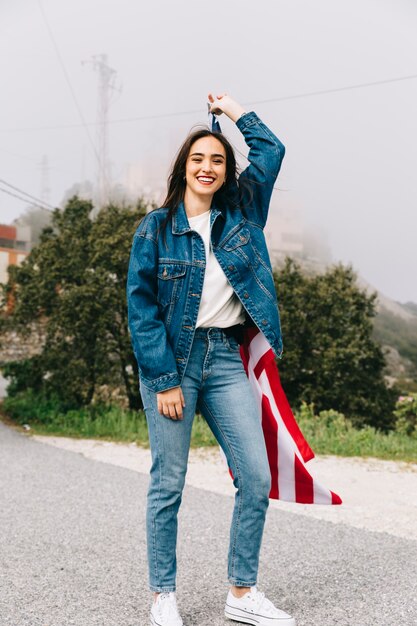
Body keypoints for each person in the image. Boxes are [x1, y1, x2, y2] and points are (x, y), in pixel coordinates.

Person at [127, 93, 295, 626]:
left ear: (227, 172)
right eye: (199, 158)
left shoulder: (243, 213)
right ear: (184, 167)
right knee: (168, 482)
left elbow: (271, 149)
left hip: (223, 359)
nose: (208, 167)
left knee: (257, 476)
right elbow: (142, 307)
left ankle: (241, 594)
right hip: (172, 364)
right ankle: (163, 596)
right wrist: (163, 379)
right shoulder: (155, 229)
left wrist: (236, 108)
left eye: (218, 159)